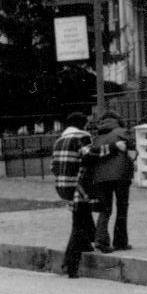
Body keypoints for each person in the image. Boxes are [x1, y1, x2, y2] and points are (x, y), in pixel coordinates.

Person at [51, 113, 98, 278]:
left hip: (63, 186)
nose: (87, 127)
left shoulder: (59, 140)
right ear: (81, 124)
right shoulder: (82, 136)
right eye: (86, 124)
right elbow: (90, 156)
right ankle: (70, 265)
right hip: (79, 186)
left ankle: (89, 245)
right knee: (78, 225)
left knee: (81, 218)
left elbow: (53, 166)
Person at [84, 107, 137, 254]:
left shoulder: (97, 137)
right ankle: (120, 242)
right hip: (121, 176)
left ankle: (101, 240)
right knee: (122, 208)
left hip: (100, 177)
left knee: (105, 209)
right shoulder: (122, 132)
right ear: (117, 120)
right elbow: (133, 151)